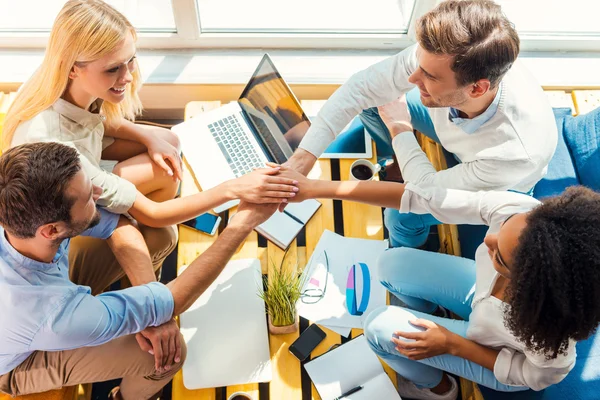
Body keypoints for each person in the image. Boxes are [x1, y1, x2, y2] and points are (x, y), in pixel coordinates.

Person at [1, 0, 298, 288]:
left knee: (168, 142)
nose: (128, 76)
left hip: (86, 165)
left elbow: (93, 120)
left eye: (131, 60)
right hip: (68, 222)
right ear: (73, 68)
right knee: (163, 230)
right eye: (113, 69)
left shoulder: (57, 83)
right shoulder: (56, 150)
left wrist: (147, 135)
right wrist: (233, 188)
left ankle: (157, 237)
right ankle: (142, 270)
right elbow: (151, 213)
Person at [278, 168, 600, 399]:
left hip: (490, 351)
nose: (488, 237)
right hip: (478, 302)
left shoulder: (552, 344)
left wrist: (451, 344)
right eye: (500, 229)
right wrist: (316, 188)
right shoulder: (521, 212)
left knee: (377, 327)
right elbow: (421, 198)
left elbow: (527, 376)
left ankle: (439, 388)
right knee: (390, 264)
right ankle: (430, 320)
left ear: (529, 284)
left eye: (498, 255)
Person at [0, 142, 276, 399]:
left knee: (160, 236)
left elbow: (116, 224)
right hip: (19, 359)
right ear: (52, 230)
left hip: (48, 294)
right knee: (167, 354)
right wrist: (241, 225)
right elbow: (176, 300)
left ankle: (130, 308)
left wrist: (151, 312)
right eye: (87, 197)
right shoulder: (52, 315)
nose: (98, 194)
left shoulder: (24, 221)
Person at [283, 0, 558, 248]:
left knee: (401, 216)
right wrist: (300, 162)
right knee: (375, 102)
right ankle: (401, 164)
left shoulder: (515, 152)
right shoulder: (446, 57)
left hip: (495, 184)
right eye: (418, 63)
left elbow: (426, 191)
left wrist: (400, 129)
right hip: (460, 138)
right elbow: (360, 88)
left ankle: (406, 252)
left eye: (429, 76)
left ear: (477, 89)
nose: (413, 79)